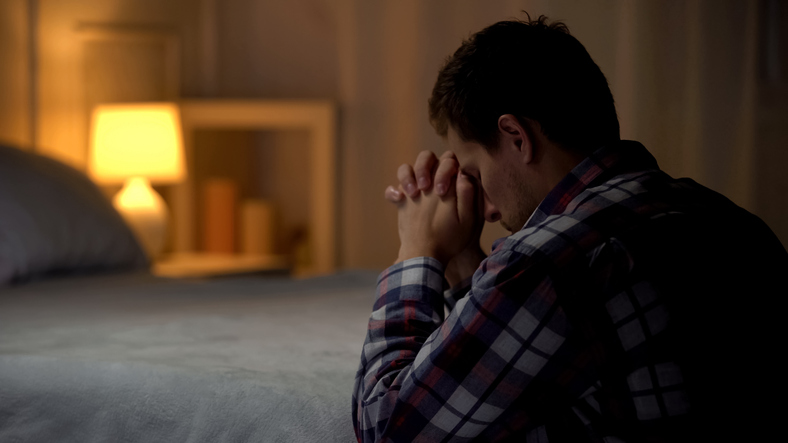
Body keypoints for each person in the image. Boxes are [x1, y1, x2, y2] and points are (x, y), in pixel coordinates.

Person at [352, 14, 787, 442]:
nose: (484, 211)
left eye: (474, 171)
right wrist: (464, 258)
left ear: (516, 136)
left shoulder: (547, 263)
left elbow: (387, 427)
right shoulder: (734, 221)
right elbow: (522, 365)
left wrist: (415, 249)